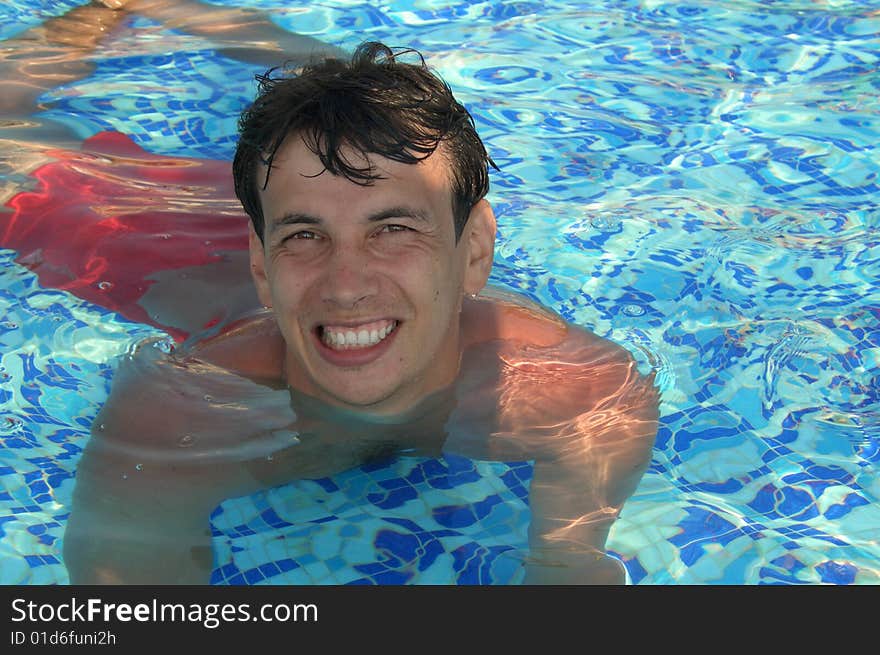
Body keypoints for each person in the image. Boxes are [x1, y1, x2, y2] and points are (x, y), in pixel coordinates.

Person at [56, 36, 661, 584]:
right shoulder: (179, 421)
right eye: (302, 237)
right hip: (167, 263)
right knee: (26, 160)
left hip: (273, 195)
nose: (345, 287)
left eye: (394, 229)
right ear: (263, 265)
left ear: (474, 250)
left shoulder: (584, 396)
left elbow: (568, 576)